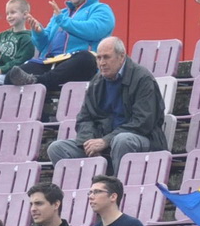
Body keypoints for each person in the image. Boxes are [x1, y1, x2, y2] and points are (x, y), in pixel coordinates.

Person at [46, 37, 168, 175]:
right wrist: (89, 143)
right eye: (99, 58)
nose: (102, 63)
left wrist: (106, 141)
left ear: (121, 56)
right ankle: (89, 186)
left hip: (142, 139)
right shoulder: (97, 82)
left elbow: (143, 122)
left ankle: (118, 185)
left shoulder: (142, 79)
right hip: (103, 141)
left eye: (106, 57)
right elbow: (85, 118)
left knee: (122, 140)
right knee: (57, 148)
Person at [4, 0, 114, 91]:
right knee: (10, 77)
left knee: (87, 58)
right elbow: (43, 46)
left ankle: (38, 81)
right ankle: (37, 82)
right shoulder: (61, 13)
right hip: (50, 63)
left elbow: (93, 31)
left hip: (75, 64)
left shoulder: (101, 9)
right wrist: (39, 33)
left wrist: (62, 20)